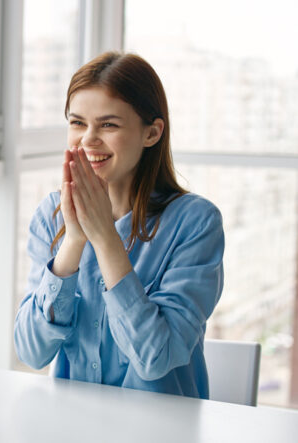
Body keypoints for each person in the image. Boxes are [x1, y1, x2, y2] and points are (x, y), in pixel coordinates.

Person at [14, 52, 224, 398]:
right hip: (73, 426)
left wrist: (105, 238)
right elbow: (31, 352)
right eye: (77, 123)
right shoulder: (52, 215)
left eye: (108, 125)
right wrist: (73, 243)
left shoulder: (196, 223)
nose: (87, 140)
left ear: (152, 133)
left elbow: (156, 358)